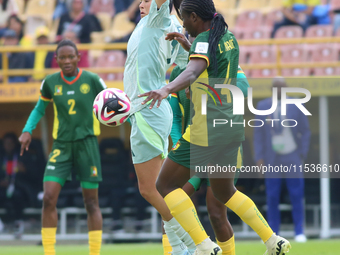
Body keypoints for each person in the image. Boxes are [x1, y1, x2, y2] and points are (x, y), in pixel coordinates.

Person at [140, 0, 292, 254]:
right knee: (225, 192)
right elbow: (212, 66)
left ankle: (204, 245)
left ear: (195, 18)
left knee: (164, 185)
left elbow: (192, 72)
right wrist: (190, 47)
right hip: (230, 126)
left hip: (207, 127)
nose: (184, 23)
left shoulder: (202, 39)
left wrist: (166, 88)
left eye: (184, 18)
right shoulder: (228, 37)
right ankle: (273, 240)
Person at [19, 39, 107, 255]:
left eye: (71, 57)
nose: (67, 61)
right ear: (56, 60)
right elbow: (40, 109)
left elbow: (112, 102)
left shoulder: (92, 80)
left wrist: (133, 125)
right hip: (61, 146)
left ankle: (94, 253)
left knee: (91, 203)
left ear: (78, 57)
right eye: (62, 57)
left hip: (87, 144)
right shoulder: (50, 82)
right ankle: (50, 252)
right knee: (48, 198)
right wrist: (27, 129)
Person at [123, 0, 195, 254]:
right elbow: (186, 60)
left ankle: (188, 243)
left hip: (148, 110)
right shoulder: (170, 26)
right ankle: (184, 245)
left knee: (150, 188)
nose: (142, 4)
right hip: (148, 109)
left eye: (146, 0)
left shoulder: (157, 18)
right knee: (160, 187)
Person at [169, 62, 249, 255]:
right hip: (192, 147)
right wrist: (179, 144)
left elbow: (243, 90)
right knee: (171, 201)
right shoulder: (178, 72)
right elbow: (175, 116)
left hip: (221, 146)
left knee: (216, 212)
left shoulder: (227, 63)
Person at [253, 77, 311, 243]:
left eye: (282, 87)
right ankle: (273, 234)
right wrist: (259, 158)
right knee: (272, 196)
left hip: (292, 155)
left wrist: (302, 154)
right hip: (272, 158)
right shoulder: (262, 106)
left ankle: (299, 231)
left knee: (296, 194)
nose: (279, 90)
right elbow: (258, 136)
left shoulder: (297, 105)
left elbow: (305, 131)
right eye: (276, 87)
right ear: (272, 89)